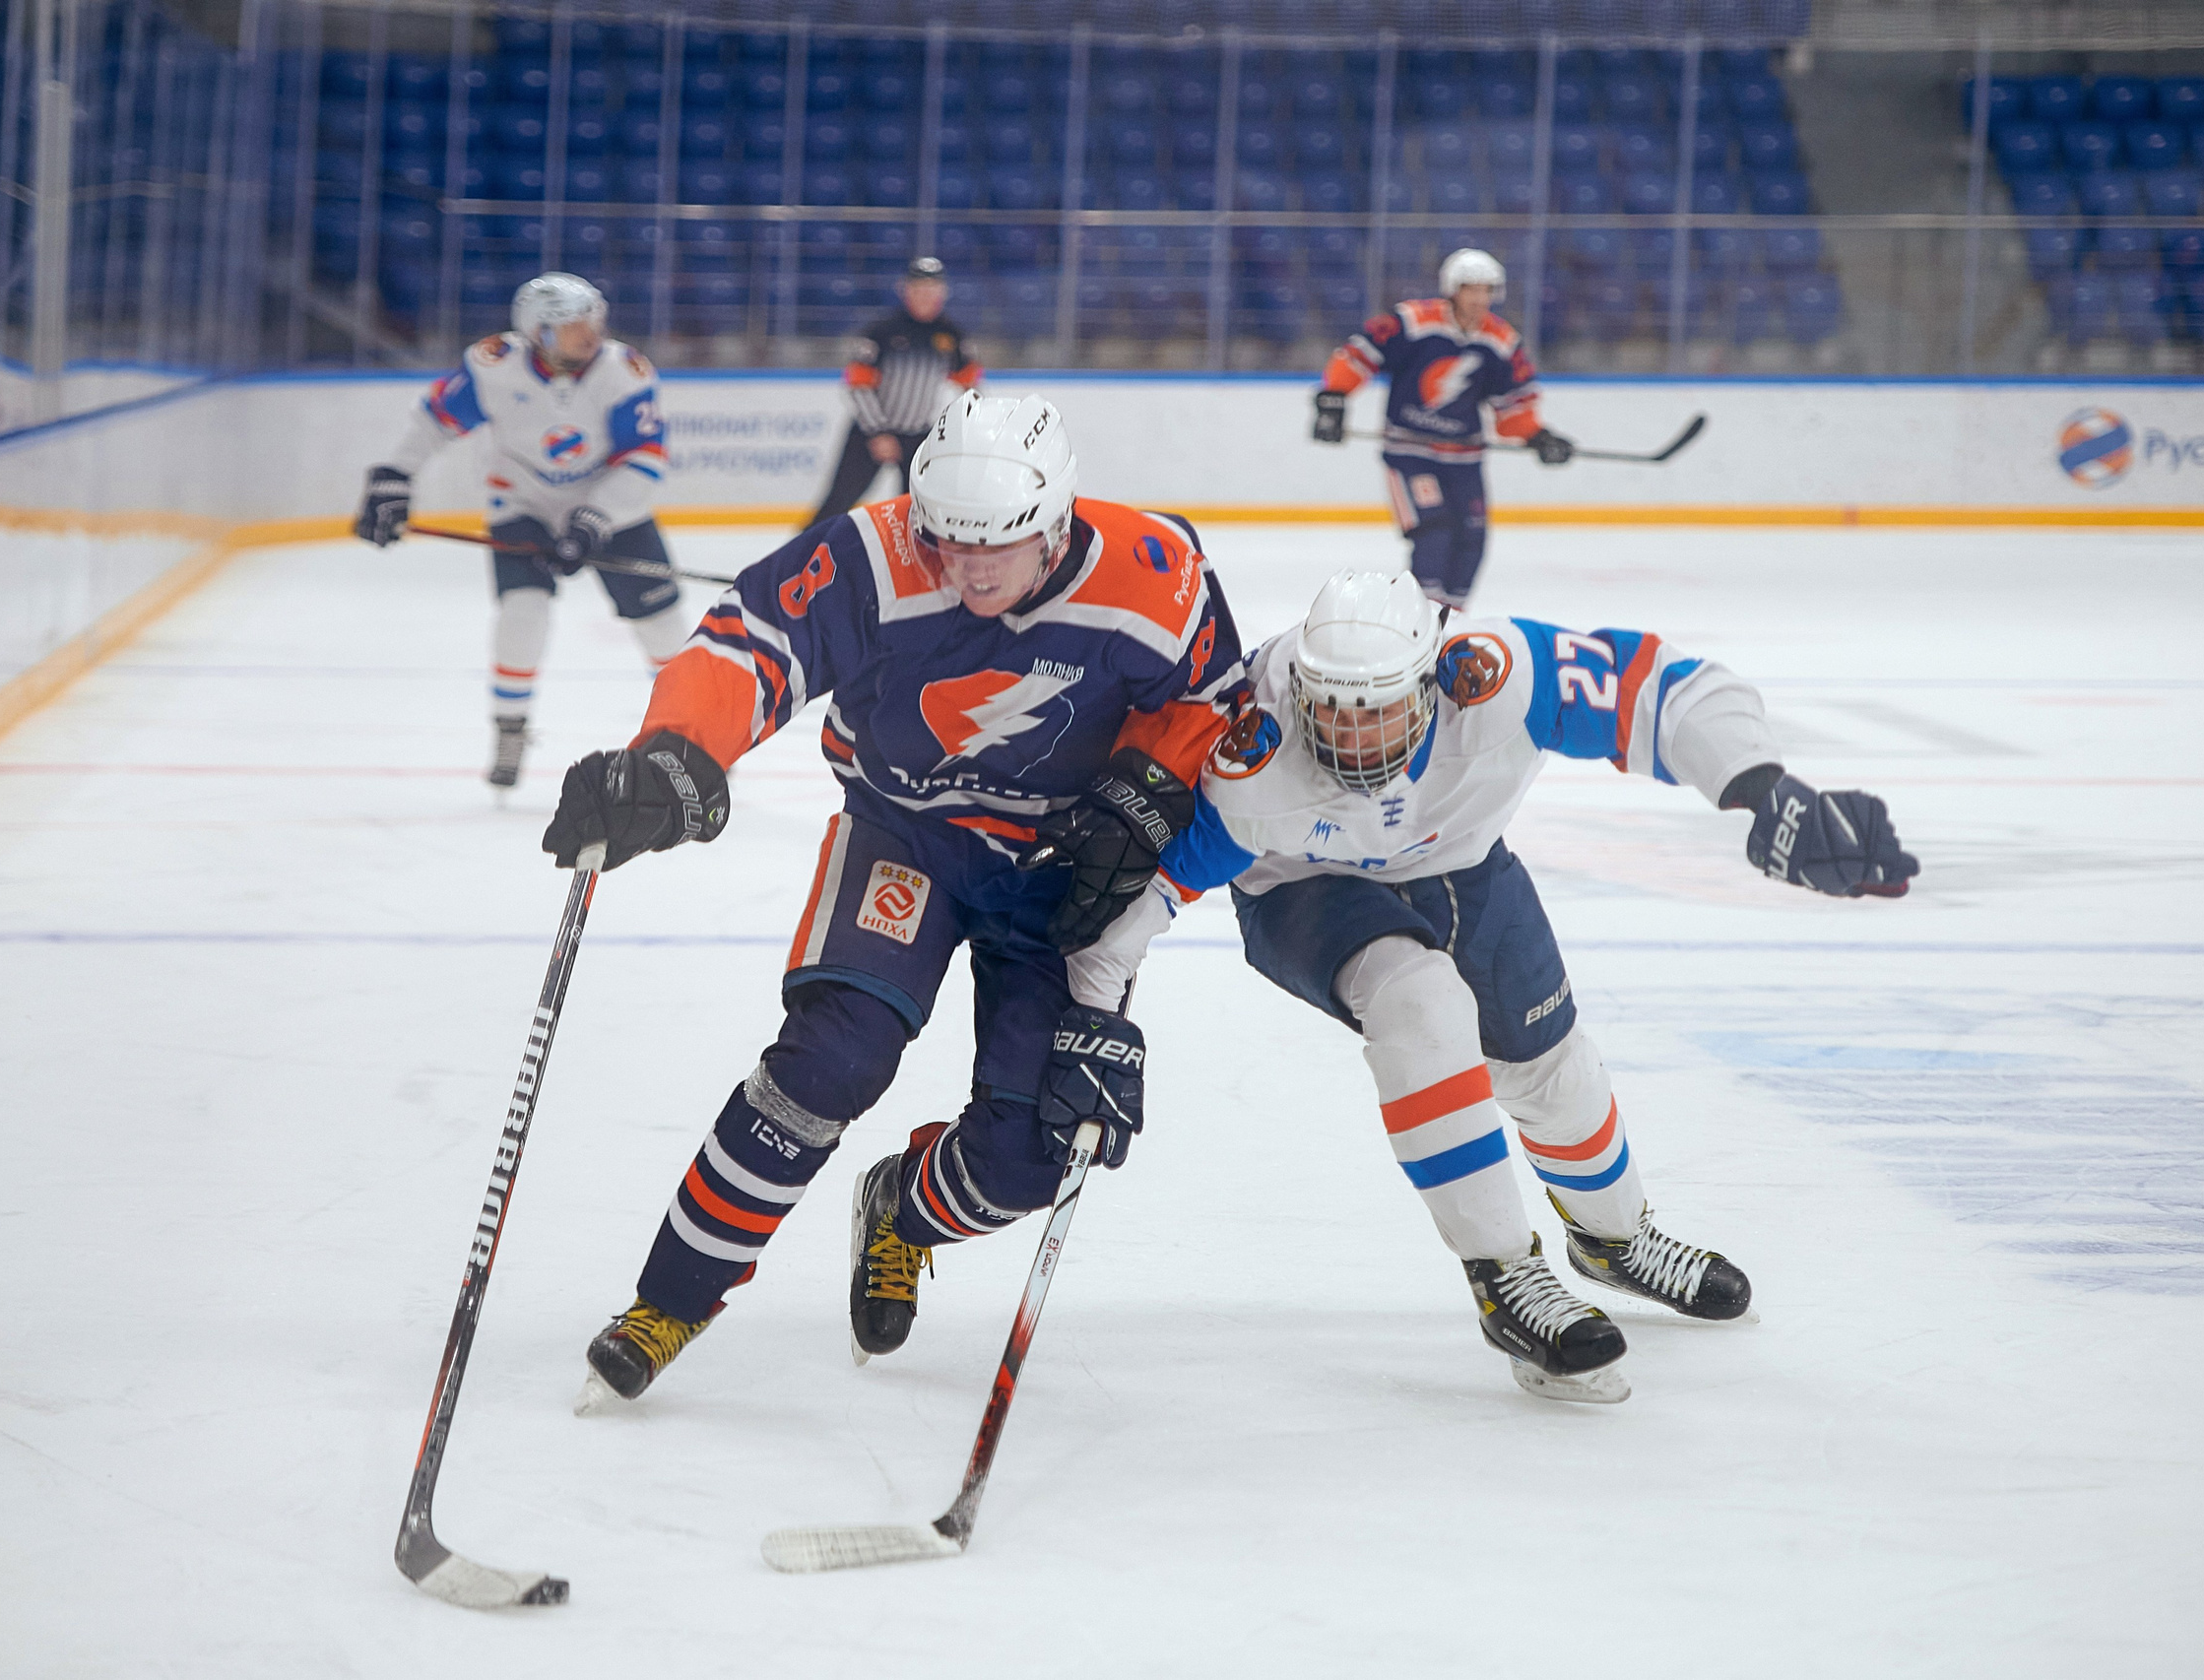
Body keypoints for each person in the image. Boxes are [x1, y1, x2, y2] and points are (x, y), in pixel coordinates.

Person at [539, 390, 1244, 1403]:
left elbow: (1213, 697)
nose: (966, 567)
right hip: (906, 835)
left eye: (995, 546)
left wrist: (1143, 786)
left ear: (1056, 521)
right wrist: (677, 754)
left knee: (1028, 1156)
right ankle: (672, 1299)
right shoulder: (877, 553)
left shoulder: (1154, 571)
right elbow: (751, 639)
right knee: (830, 1058)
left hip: (1063, 869)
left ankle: (901, 1210)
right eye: (948, 540)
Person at [1070, 570, 1919, 1403]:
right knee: (1419, 1003)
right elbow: (1135, 901)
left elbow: (1662, 687)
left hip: (1464, 867)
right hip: (1304, 889)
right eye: (1335, 715)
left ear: (1433, 683)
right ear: (1299, 692)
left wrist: (1762, 787)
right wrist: (1086, 1023)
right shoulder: (1249, 759)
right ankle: (1505, 1275)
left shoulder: (1498, 677)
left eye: (1383, 713)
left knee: (1552, 1075)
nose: (1358, 743)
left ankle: (1614, 1242)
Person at [353, 273, 688, 791]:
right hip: (522, 502)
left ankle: (690, 735)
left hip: (611, 509)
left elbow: (644, 457)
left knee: (663, 623)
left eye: (592, 320)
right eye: (574, 326)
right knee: (522, 613)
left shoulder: (625, 372)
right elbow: (436, 420)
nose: (589, 334)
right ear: (539, 332)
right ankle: (509, 732)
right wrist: (394, 475)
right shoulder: (493, 367)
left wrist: (594, 519)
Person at [1310, 249, 1575, 612]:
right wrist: (1333, 399)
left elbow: (1513, 402)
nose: (1480, 299)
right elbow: (1361, 352)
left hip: (1464, 460)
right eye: (1471, 289)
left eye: (1487, 291)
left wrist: (1538, 436)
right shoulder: (1414, 321)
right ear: (1453, 290)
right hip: (1410, 454)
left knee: (1471, 540)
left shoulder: (1500, 340)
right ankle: (1417, 620)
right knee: (1434, 532)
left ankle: (1450, 624)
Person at [806, 256, 983, 532]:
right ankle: (796, 561)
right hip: (870, 434)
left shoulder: (951, 336)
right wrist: (878, 432)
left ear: (943, 292)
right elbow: (857, 385)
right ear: (904, 290)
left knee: (917, 511)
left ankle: (909, 569)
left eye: (932, 288)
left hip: (919, 439)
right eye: (918, 288)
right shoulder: (882, 332)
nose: (925, 295)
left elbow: (972, 389)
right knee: (838, 503)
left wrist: (971, 429)